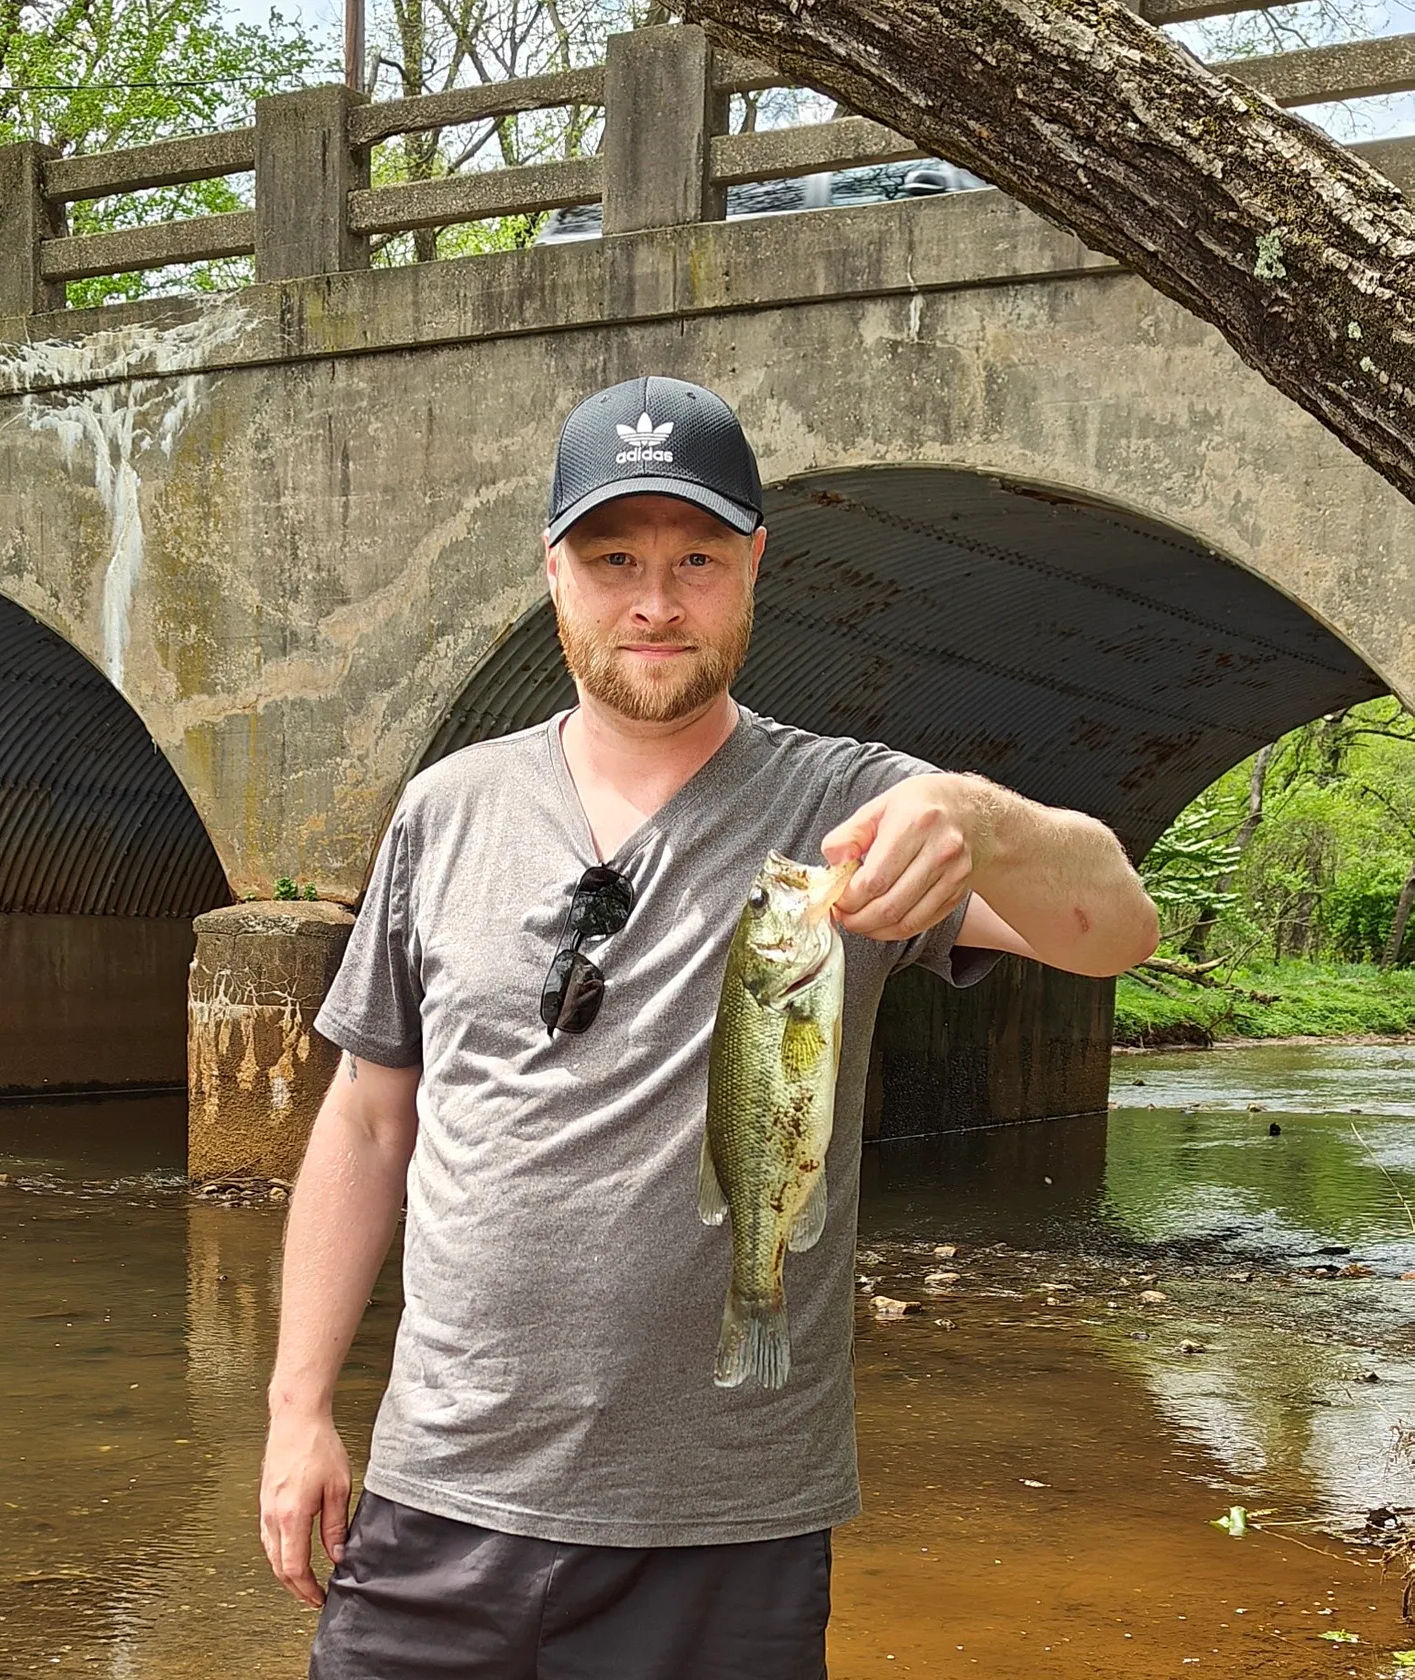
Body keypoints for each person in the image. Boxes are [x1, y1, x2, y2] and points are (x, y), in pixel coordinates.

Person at [259, 375, 1160, 1679]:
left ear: (755, 567)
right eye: (613, 559)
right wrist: (297, 1413)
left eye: (696, 561)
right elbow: (365, 1117)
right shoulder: (445, 810)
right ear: (553, 572)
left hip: (728, 1525)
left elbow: (1115, 929)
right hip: (439, 1502)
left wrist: (985, 819)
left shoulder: (852, 811)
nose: (655, 602)